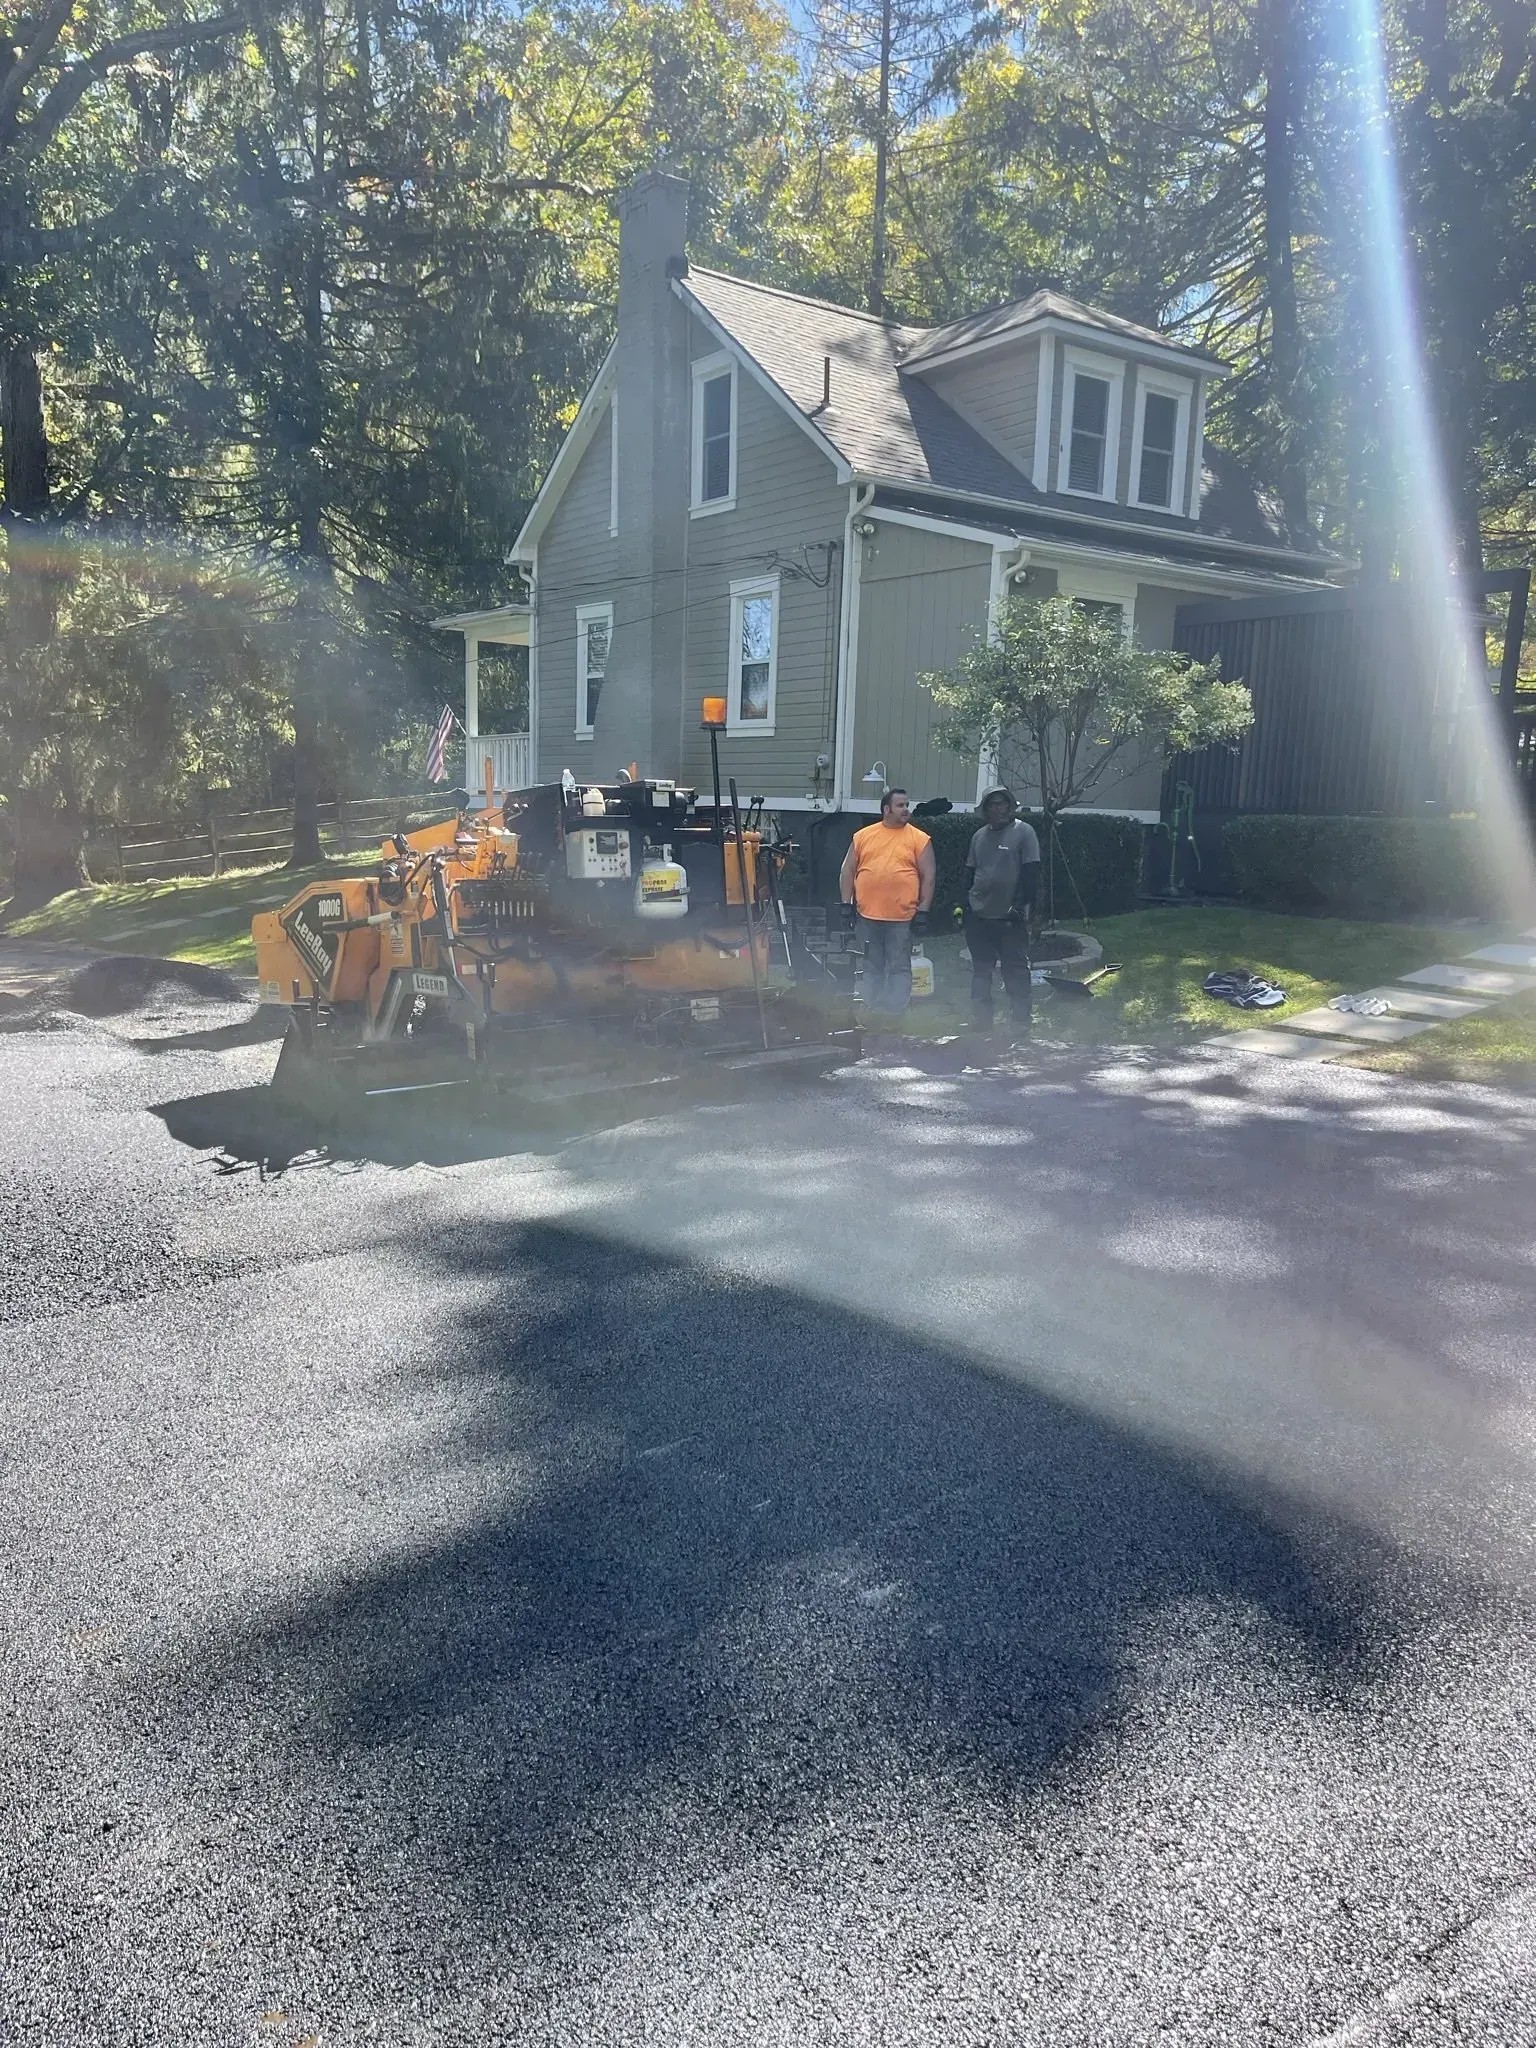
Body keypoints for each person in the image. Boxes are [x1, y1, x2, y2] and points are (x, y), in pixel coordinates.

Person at [838, 787, 936, 1021]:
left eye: (907, 805)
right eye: (900, 805)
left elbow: (929, 875)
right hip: (867, 915)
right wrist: (845, 904)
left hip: (902, 918)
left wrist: (923, 911)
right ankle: (872, 1007)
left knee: (898, 966)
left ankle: (894, 1012)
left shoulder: (919, 839)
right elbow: (847, 870)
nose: (906, 810)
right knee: (871, 964)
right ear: (886, 809)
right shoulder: (863, 836)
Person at [964, 786, 1041, 1036]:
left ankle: (1020, 1022)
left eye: (1004, 804)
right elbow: (969, 874)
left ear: (1011, 806)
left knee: (1016, 972)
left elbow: (1031, 874)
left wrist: (1021, 907)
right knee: (981, 972)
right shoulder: (978, 836)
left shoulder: (1023, 832)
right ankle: (982, 1021)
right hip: (980, 917)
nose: (1000, 809)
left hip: (1011, 917)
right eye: (994, 805)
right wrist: (964, 907)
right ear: (985, 810)